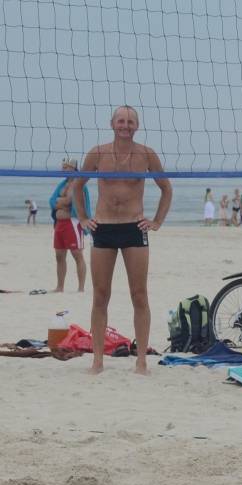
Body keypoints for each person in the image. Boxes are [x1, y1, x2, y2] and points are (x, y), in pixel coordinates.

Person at [72, 105, 173, 375]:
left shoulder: (146, 154)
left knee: (139, 294)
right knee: (100, 295)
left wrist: (157, 221)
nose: (125, 125)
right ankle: (97, 360)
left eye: (130, 121)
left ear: (136, 126)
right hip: (103, 227)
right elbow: (77, 186)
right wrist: (83, 218)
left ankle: (141, 361)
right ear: (112, 124)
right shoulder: (98, 153)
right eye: (121, 121)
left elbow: (166, 188)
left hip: (134, 227)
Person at [49, 158, 92, 293]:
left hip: (73, 223)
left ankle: (81, 288)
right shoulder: (62, 184)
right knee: (59, 256)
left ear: (73, 168)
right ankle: (60, 287)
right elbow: (52, 201)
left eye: (65, 167)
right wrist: (63, 202)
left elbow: (70, 202)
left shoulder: (79, 184)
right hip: (59, 224)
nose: (62, 169)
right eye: (62, 167)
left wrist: (62, 202)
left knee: (77, 254)